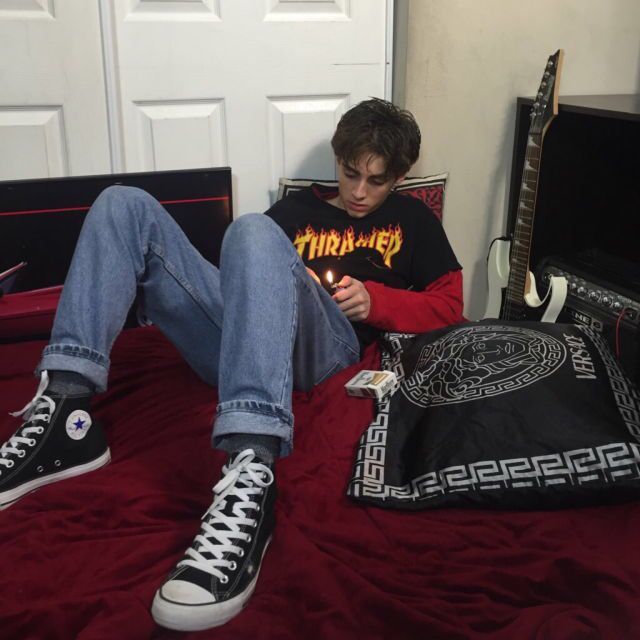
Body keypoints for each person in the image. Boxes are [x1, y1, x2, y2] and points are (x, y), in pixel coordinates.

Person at [0, 98, 463, 631]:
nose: (360, 192)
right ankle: (66, 407)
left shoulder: (411, 220)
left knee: (249, 230)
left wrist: (378, 302)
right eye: (351, 173)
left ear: (398, 179)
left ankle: (253, 465)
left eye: (377, 182)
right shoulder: (290, 215)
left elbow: (451, 306)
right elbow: (241, 293)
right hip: (247, 344)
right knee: (124, 203)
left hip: (324, 347)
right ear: (337, 160)